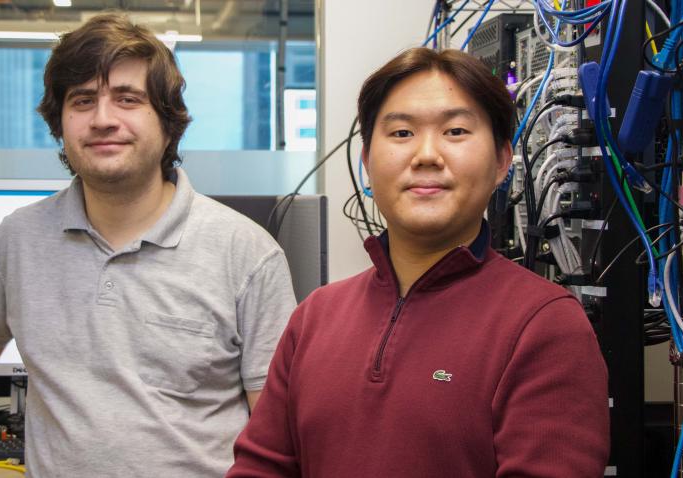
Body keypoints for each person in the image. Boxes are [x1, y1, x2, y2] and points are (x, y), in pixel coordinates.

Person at [0, 13, 296, 477]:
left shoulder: (246, 254)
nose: (102, 119)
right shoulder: (18, 240)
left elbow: (276, 431)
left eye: (127, 99)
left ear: (168, 120)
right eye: (82, 100)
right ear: (60, 122)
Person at [227, 47, 610, 477]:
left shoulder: (544, 325)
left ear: (502, 162)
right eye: (402, 133)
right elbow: (260, 469)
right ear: (368, 163)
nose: (426, 154)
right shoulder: (315, 318)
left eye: (456, 131)